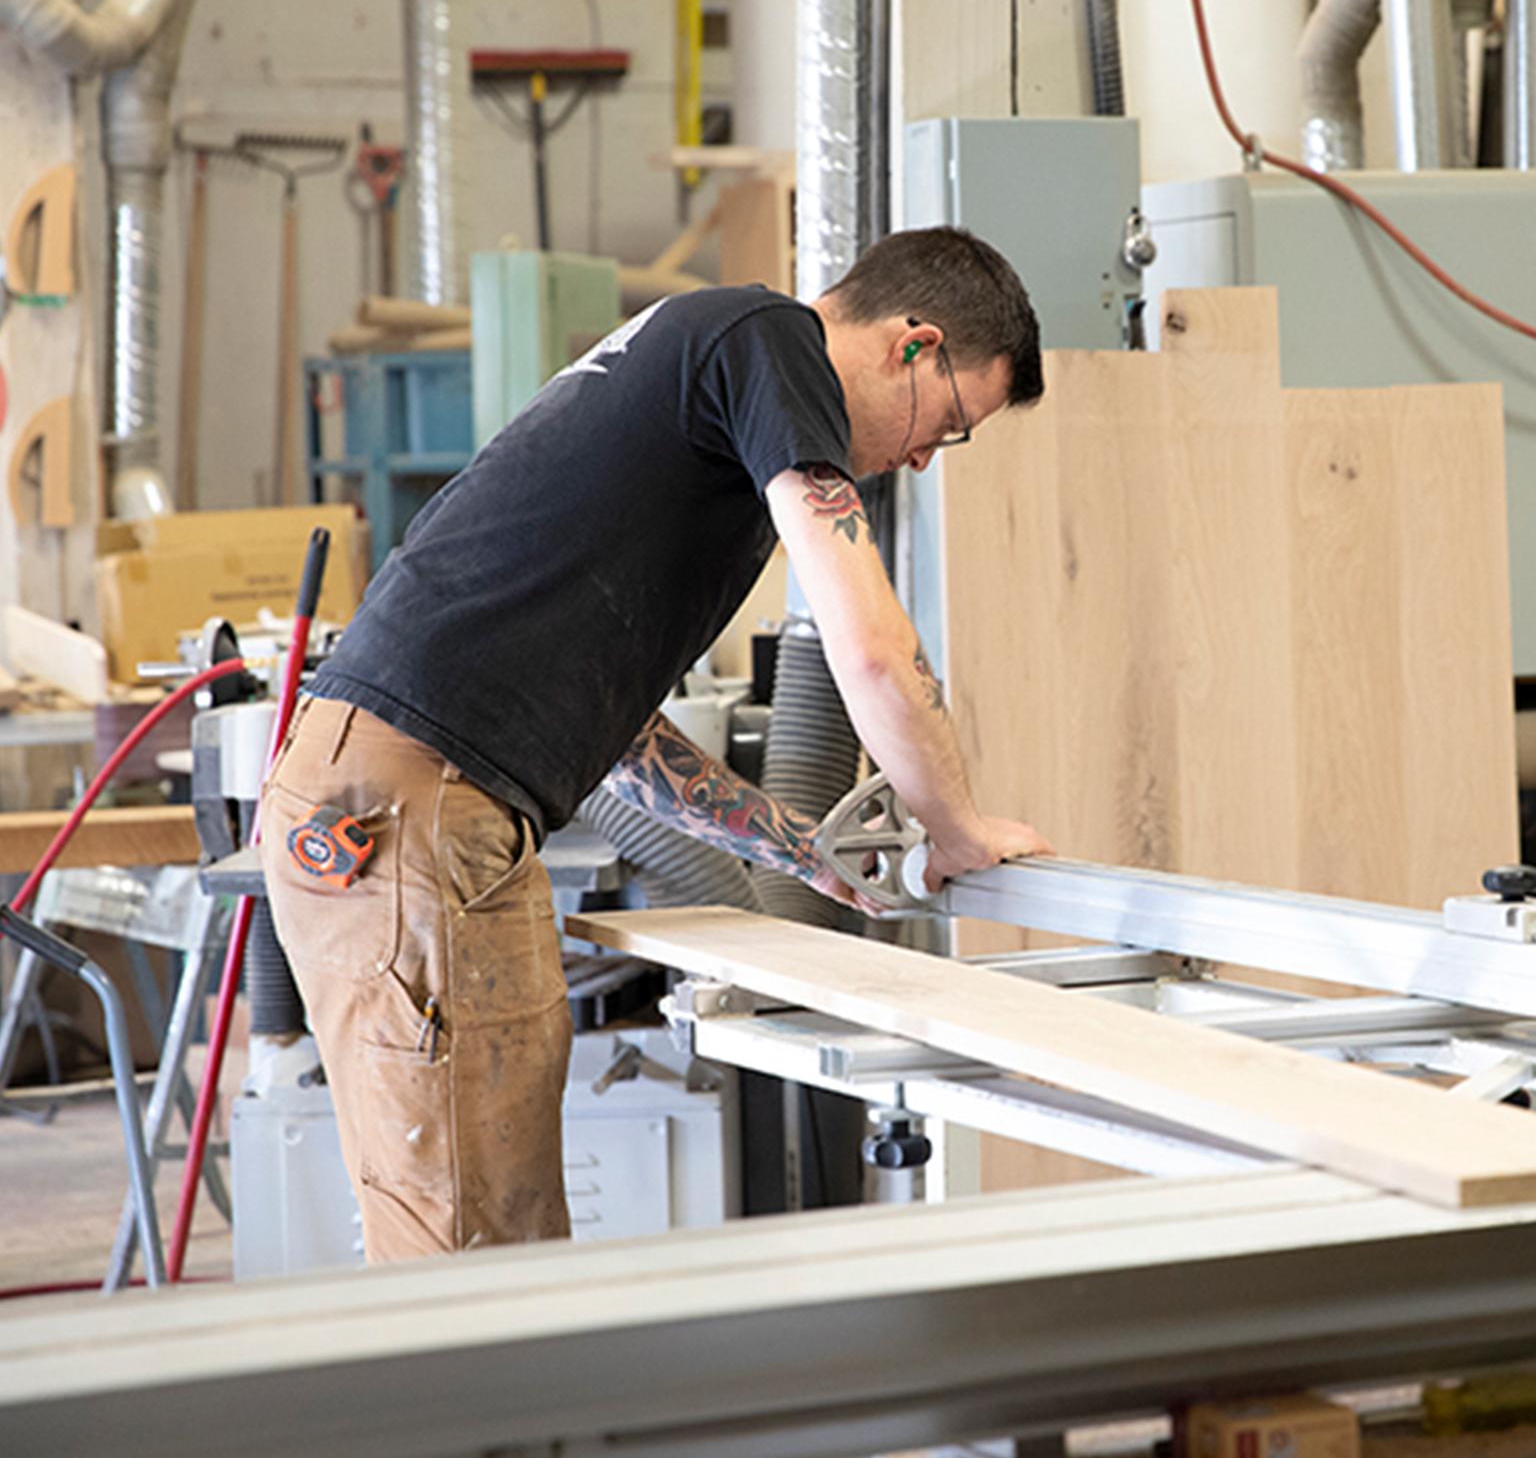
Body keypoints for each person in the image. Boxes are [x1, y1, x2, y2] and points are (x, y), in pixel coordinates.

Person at [258, 224, 1055, 1262]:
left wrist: (793, 847)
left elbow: (616, 727)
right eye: (947, 424)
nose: (916, 458)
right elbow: (872, 650)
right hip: (412, 808)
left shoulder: (703, 363)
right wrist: (956, 828)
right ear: (912, 343)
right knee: (475, 1255)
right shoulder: (772, 344)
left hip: (391, 795)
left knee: (472, 1228)